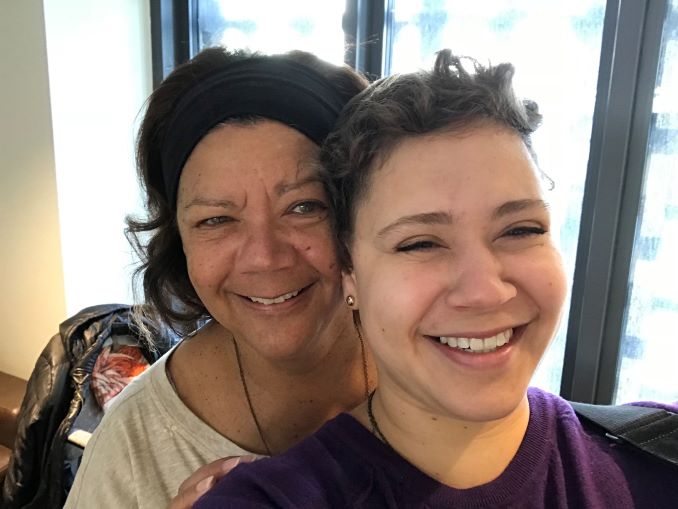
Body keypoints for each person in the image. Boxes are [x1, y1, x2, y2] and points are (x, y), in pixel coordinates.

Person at [193, 49, 678, 508]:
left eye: (520, 229)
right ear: (350, 275)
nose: (485, 290)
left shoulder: (657, 457)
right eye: (420, 243)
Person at [64, 47, 377, 509]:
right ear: (179, 241)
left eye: (305, 206)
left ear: (359, 214)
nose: (264, 258)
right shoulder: (135, 445)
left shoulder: (442, 375)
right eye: (216, 220)